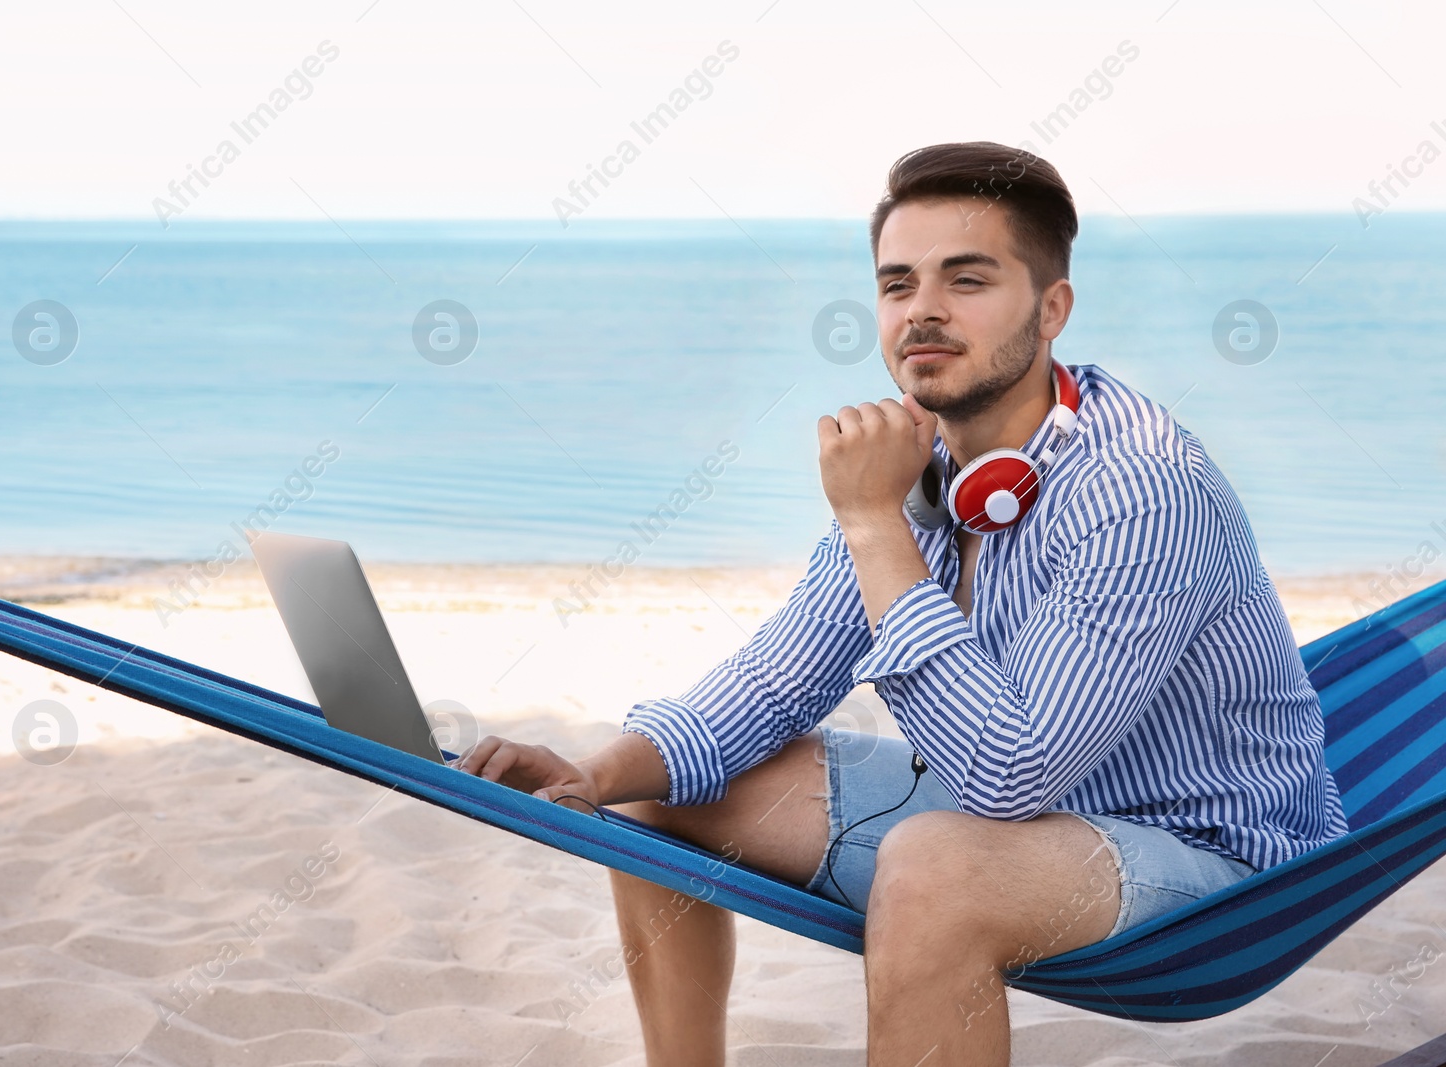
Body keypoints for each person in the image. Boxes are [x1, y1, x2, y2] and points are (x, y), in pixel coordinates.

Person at [451, 141, 1349, 1066]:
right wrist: (595, 774)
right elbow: (775, 680)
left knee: (935, 868)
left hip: (1208, 861)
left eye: (967, 280)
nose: (922, 310)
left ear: (1052, 309)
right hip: (1012, 818)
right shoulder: (920, 466)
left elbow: (1010, 774)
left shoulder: (1141, 492)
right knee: (663, 790)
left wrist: (874, 522)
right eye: (897, 285)